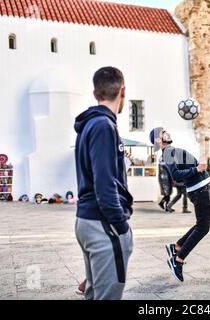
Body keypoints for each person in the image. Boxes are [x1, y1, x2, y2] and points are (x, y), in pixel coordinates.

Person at [74, 66, 133, 300]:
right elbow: (105, 183)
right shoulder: (103, 126)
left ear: (95, 92)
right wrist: (121, 226)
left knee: (93, 294)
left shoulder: (90, 124)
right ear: (123, 90)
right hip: (103, 222)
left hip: (88, 220)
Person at [150, 127, 210, 282]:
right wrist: (197, 168)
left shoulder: (171, 150)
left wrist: (198, 168)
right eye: (163, 132)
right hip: (199, 190)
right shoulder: (168, 152)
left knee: (201, 224)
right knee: (203, 227)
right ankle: (178, 260)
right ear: (159, 140)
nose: (167, 132)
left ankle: (177, 247)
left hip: (200, 187)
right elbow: (176, 175)